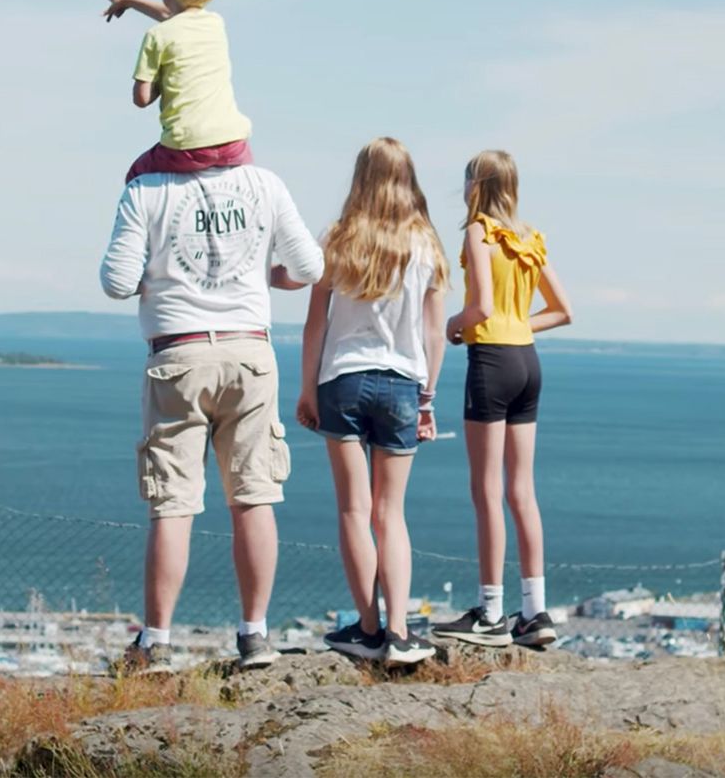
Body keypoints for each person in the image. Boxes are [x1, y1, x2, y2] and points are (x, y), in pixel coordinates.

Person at [99, 157, 323, 673]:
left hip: (178, 355)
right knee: (254, 497)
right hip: (250, 352)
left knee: (173, 504)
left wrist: (159, 272)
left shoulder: (146, 188)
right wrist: (265, 273)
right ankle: (255, 636)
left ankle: (155, 642)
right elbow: (309, 267)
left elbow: (116, 281)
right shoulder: (265, 182)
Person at [293, 138, 448, 665]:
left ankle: (366, 627)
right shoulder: (426, 244)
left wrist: (307, 389)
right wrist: (427, 400)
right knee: (391, 514)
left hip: (342, 380)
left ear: (360, 178)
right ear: (409, 180)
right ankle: (400, 633)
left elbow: (315, 325)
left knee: (354, 511)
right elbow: (435, 334)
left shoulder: (336, 239)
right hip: (404, 384)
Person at [429, 150, 574, 649]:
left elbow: (481, 306)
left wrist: (455, 324)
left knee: (486, 491)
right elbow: (562, 311)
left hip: (491, 362)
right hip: (528, 363)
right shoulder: (530, 239)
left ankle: (490, 611)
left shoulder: (479, 232)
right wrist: (514, 326)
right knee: (522, 492)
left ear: (476, 184)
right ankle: (535, 613)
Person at [103, 0, 255, 184]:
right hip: (234, 144)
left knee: (136, 176)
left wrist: (163, 80)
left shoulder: (157, 35)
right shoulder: (216, 24)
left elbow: (141, 99)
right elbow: (175, 16)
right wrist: (130, 2)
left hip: (185, 147)